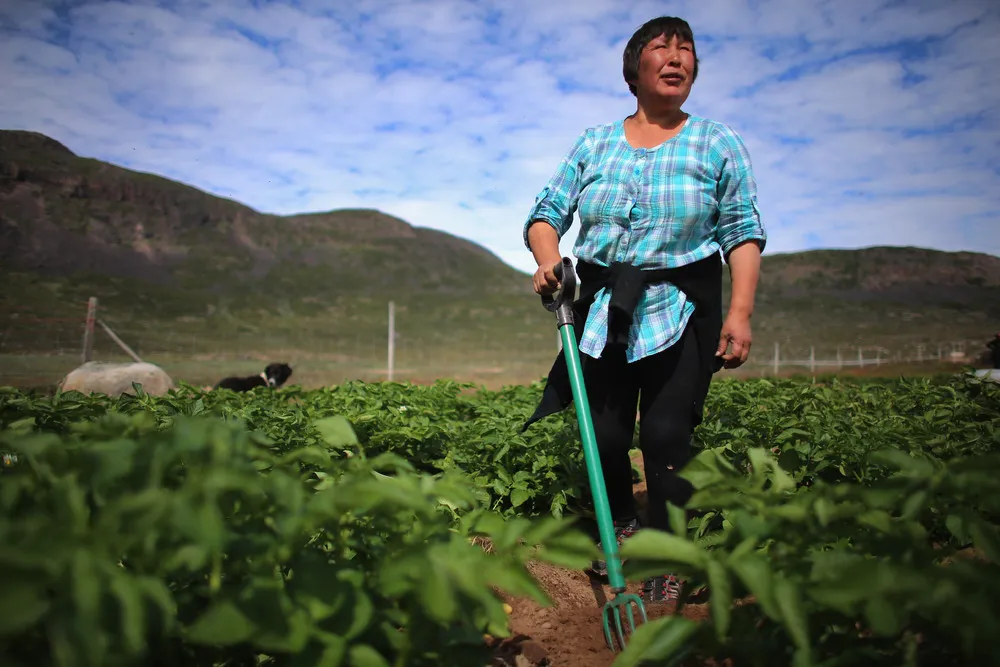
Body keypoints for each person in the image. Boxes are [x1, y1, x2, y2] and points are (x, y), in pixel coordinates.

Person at [520, 16, 766, 605]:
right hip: (604, 305)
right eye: (662, 47)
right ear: (635, 68)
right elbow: (547, 211)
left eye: (687, 50)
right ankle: (623, 526)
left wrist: (740, 313)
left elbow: (741, 230)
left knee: (665, 433)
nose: (677, 58)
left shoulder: (717, 142)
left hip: (680, 305)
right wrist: (549, 261)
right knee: (603, 433)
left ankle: (670, 550)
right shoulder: (595, 143)